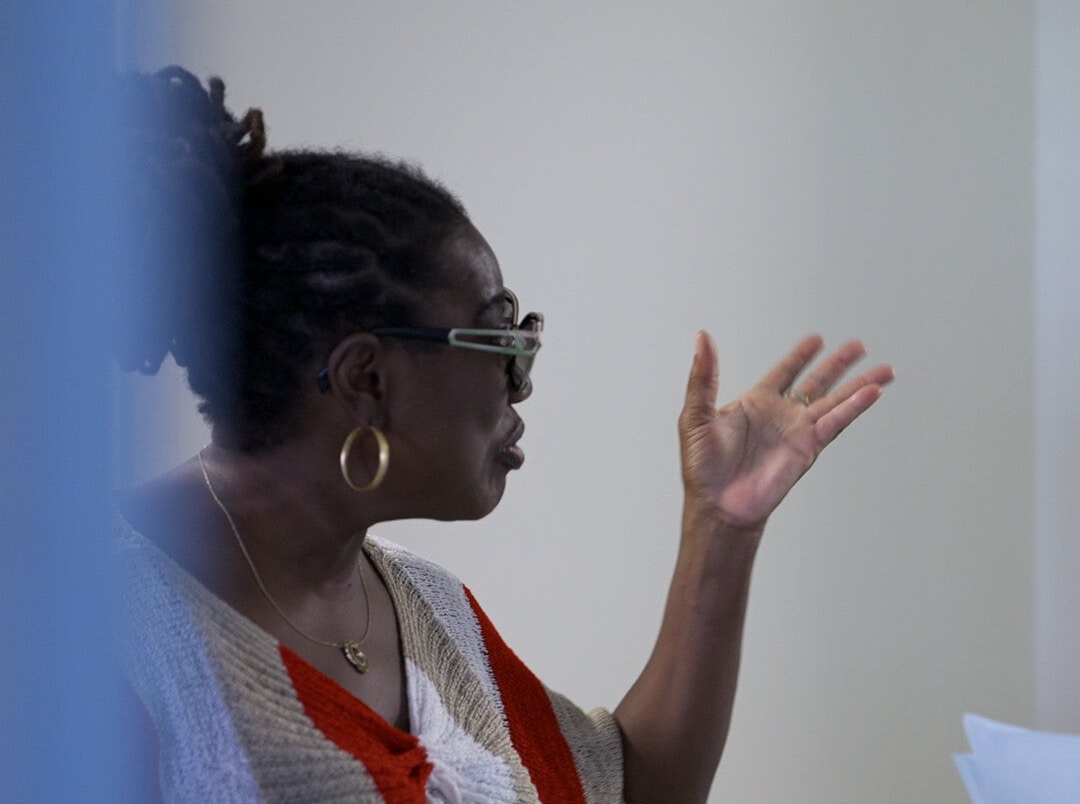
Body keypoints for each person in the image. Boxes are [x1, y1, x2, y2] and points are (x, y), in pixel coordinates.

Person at [114, 67, 892, 804]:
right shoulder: (98, 626)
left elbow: (625, 789)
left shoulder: (429, 608)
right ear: (367, 378)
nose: (521, 383)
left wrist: (719, 527)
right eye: (498, 340)